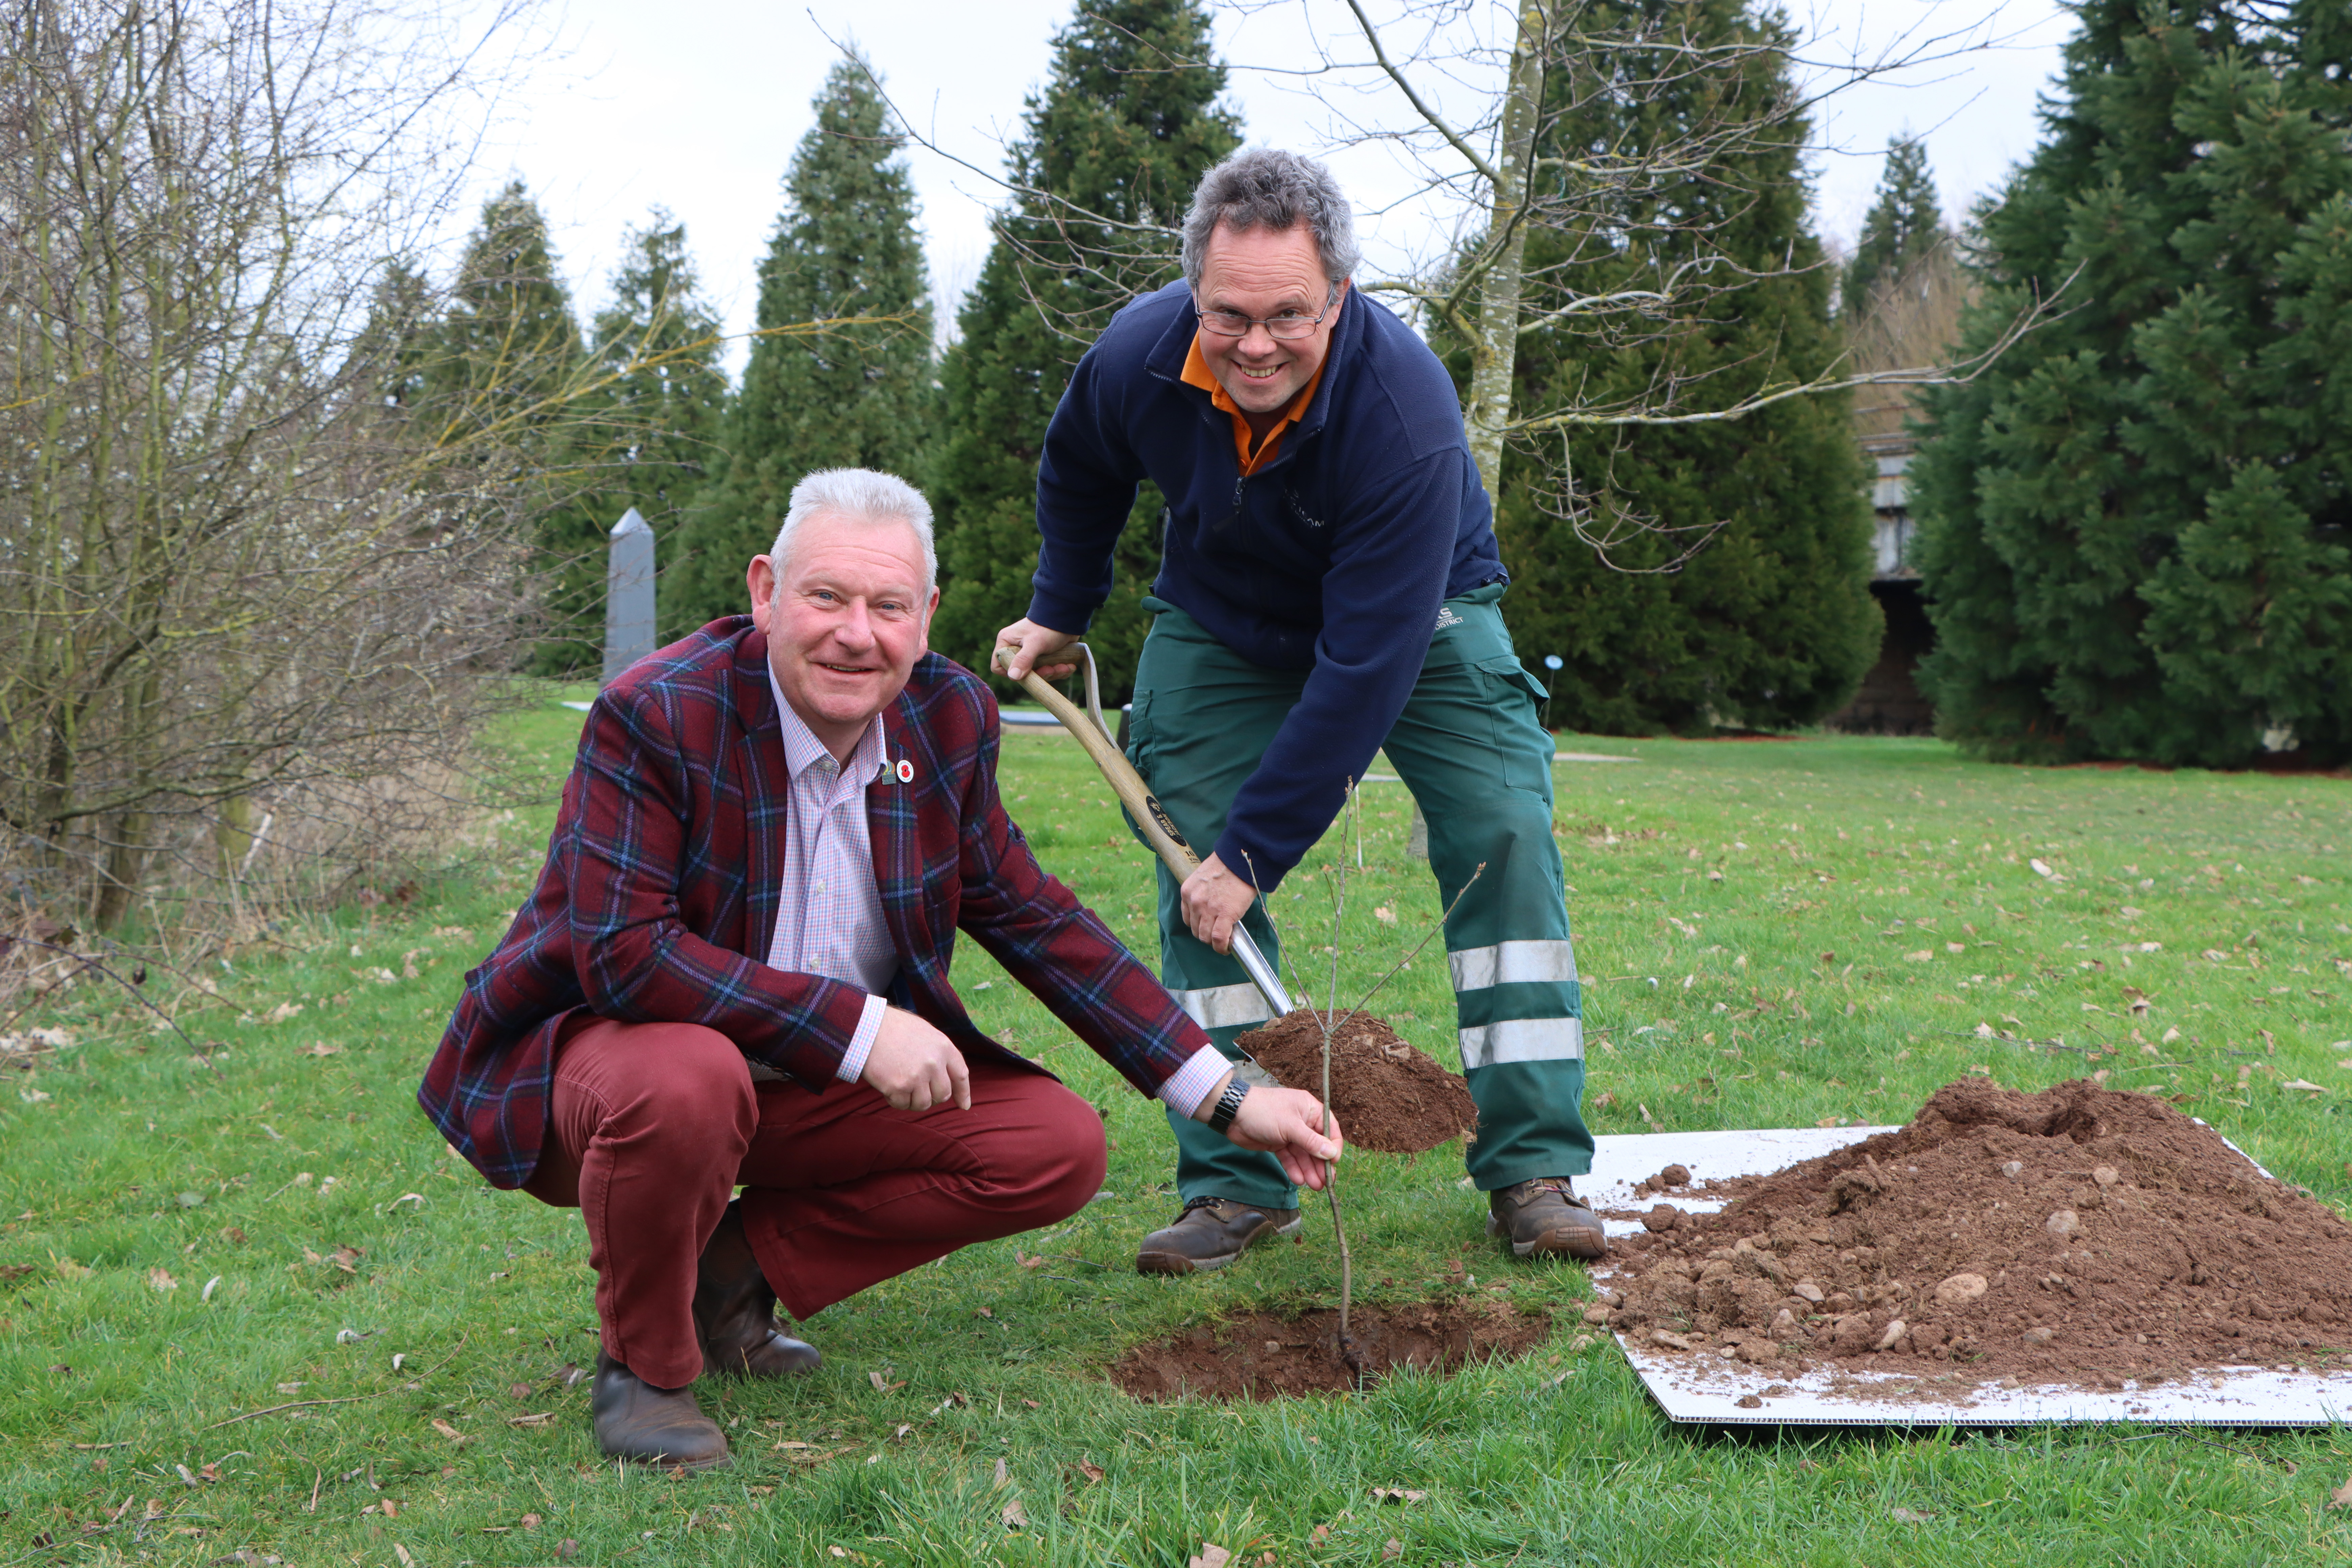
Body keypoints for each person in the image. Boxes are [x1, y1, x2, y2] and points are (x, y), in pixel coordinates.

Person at [418, 469, 1342, 1470]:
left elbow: (1036, 919)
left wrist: (1226, 1091)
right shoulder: (656, 714)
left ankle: (725, 1284)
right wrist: (861, 1029)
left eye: (888, 606)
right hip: (604, 1079)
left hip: (796, 1090)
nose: (857, 634)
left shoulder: (947, 719)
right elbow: (623, 955)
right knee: (690, 1078)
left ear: (926, 616)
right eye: (827, 598)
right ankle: (646, 1369)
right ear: (767, 591)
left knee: (1052, 1144)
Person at [994, 149, 1603, 1277]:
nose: (1258, 344)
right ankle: (1238, 1179)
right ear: (1193, 295)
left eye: (1289, 316)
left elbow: (1365, 667)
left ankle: (1534, 1168)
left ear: (1340, 295)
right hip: (1223, 616)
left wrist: (1257, 853)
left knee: (1503, 835)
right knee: (1188, 860)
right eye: (1230, 315)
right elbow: (1080, 466)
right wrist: (1061, 610)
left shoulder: (1404, 410)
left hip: (1421, 621)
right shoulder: (1139, 355)